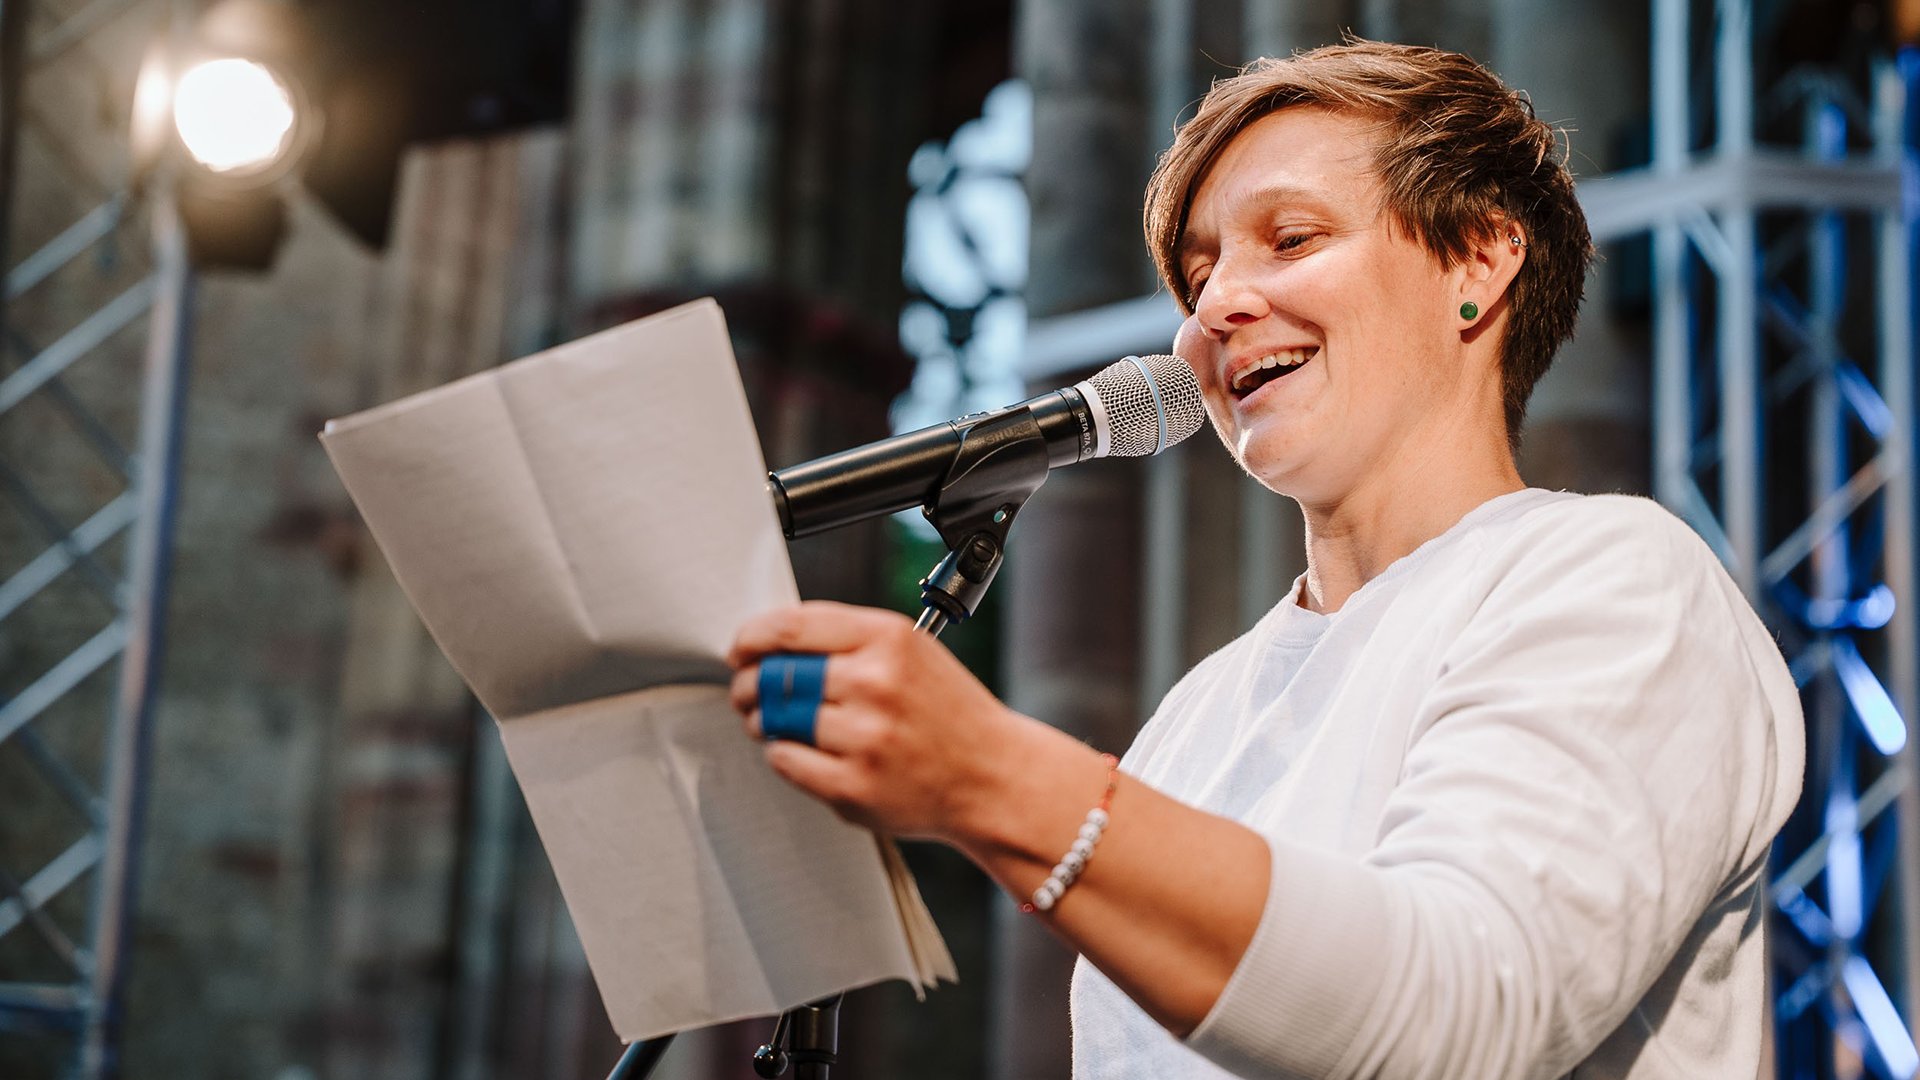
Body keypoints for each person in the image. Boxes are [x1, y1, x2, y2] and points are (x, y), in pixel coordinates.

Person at [727, 39, 1804, 1079]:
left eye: (1290, 240)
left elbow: (1462, 1013)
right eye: (1199, 275)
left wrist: (995, 779)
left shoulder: (1616, 577)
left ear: (1478, 259)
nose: (1215, 308)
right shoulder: (1194, 716)